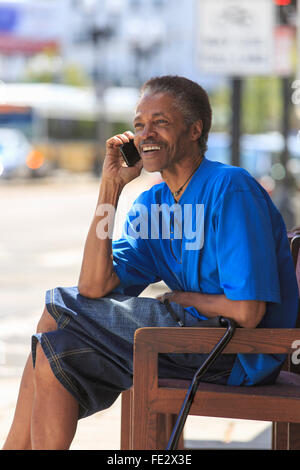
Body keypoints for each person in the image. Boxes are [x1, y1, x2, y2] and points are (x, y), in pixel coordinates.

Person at [3, 75, 298, 450]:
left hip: (238, 352)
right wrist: (110, 187)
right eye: (139, 125)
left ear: (195, 130)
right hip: (184, 341)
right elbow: (95, 287)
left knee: (58, 307)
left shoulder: (230, 188)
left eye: (160, 122)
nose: (146, 135)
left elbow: (248, 310)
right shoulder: (151, 205)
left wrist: (183, 300)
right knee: (53, 350)